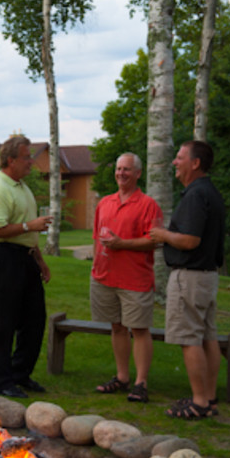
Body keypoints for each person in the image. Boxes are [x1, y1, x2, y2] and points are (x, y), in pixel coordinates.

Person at [149, 140, 226, 420]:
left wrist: (163, 235)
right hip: (207, 277)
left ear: (195, 163)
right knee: (208, 336)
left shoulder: (195, 195)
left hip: (190, 277)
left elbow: (191, 240)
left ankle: (198, 402)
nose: (174, 162)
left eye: (180, 158)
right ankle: (209, 398)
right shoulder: (210, 193)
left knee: (190, 338)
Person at [0, 135, 52, 398]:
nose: (31, 162)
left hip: (25, 258)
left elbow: (27, 234)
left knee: (34, 320)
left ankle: (20, 373)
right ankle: (1, 382)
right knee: (4, 323)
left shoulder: (21, 186)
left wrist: (40, 261)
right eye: (26, 157)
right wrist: (28, 226)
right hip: (4, 259)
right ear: (11, 160)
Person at [91, 153, 163, 403]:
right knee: (117, 327)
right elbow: (95, 239)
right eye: (119, 169)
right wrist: (95, 267)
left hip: (135, 278)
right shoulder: (105, 203)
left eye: (127, 169)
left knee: (140, 329)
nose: (121, 173)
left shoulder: (148, 205)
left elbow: (154, 240)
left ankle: (141, 383)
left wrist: (122, 244)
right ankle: (122, 378)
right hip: (105, 277)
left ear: (138, 173)